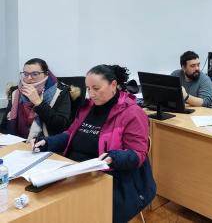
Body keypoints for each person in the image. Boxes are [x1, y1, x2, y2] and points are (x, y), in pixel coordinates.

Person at [31, 64, 156, 223]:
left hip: (110, 177)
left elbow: (138, 154)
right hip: (74, 171)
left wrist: (114, 157)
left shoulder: (132, 113)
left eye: (96, 88)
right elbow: (71, 134)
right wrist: (48, 142)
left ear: (113, 85)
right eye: (88, 88)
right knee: (42, 201)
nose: (91, 94)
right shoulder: (87, 107)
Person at [7, 58, 71, 141]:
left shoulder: (60, 92)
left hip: (44, 143)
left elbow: (61, 125)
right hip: (16, 141)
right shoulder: (16, 91)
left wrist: (38, 102)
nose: (29, 78)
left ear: (46, 74)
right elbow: (5, 123)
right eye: (26, 74)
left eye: (35, 74)